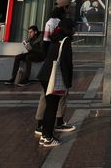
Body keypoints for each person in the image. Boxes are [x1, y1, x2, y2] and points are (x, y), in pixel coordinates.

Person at [36, 16, 74, 148]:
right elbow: (66, 63)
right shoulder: (66, 40)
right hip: (53, 76)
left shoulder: (55, 38)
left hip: (44, 75)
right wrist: (68, 83)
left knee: (49, 107)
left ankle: (44, 135)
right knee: (52, 108)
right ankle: (47, 137)